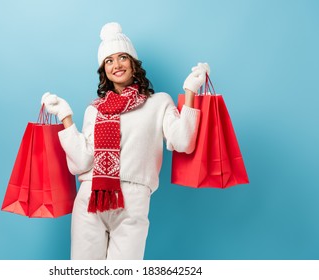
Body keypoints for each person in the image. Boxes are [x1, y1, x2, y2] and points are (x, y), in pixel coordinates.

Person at [41, 22, 209, 260]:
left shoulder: (158, 102)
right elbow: (80, 163)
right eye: (108, 61)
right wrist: (66, 117)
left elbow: (183, 142)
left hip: (133, 199)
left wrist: (190, 91)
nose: (116, 65)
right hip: (91, 198)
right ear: (103, 70)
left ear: (133, 62)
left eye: (122, 57)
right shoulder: (95, 110)